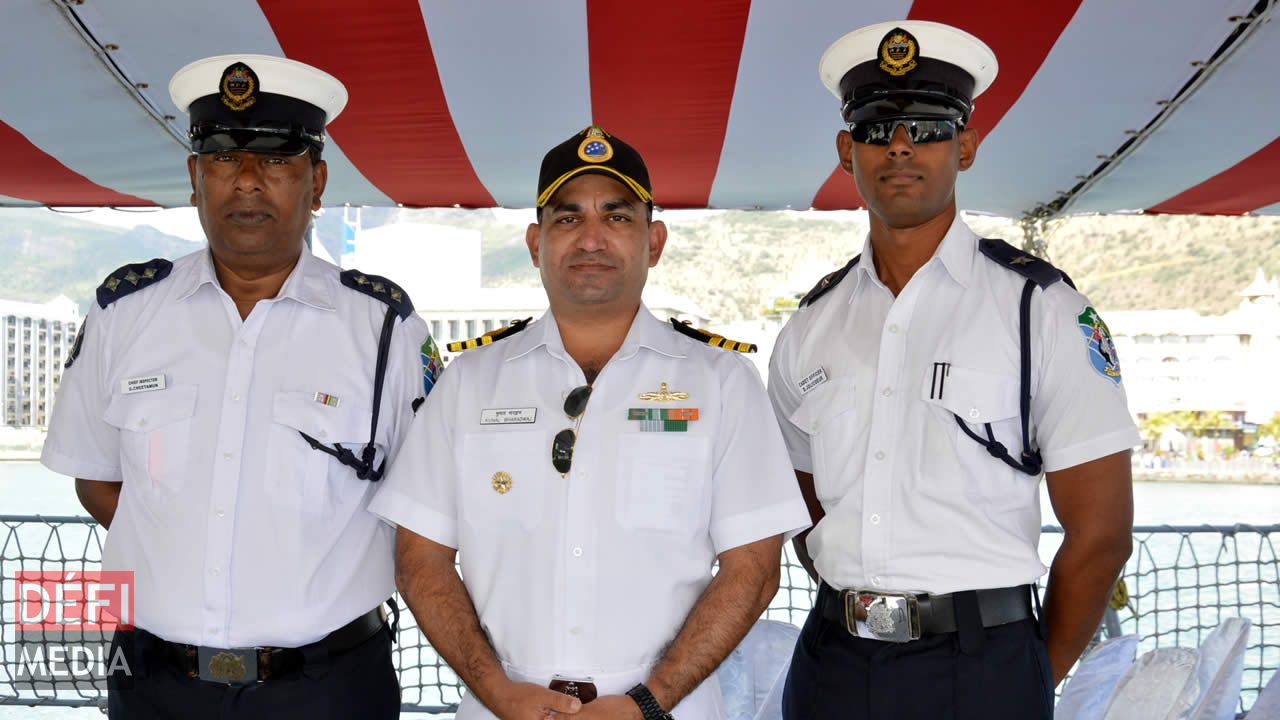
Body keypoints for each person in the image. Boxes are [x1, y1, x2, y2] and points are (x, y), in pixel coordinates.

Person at [40, 54, 437, 719]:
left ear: (317, 183)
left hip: (331, 688)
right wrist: (188, 538)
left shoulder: (385, 328)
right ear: (196, 180)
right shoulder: (124, 313)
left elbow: (427, 505)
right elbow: (97, 479)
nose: (248, 181)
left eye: (278, 161)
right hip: (156, 686)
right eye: (223, 158)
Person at [371, 125, 811, 720]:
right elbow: (419, 559)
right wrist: (497, 691)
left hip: (665, 711)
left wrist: (648, 703)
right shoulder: (468, 381)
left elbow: (753, 570)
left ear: (654, 241)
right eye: (568, 217)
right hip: (503, 709)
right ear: (536, 242)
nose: (592, 239)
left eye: (618, 216)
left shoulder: (721, 382)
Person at [769, 22, 1141, 719]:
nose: (901, 147)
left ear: (965, 147)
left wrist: (1026, 676)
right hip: (832, 665)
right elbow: (804, 504)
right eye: (878, 129)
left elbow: (1102, 536)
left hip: (982, 666)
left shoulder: (1043, 310)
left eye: (929, 127)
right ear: (848, 152)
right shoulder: (809, 325)